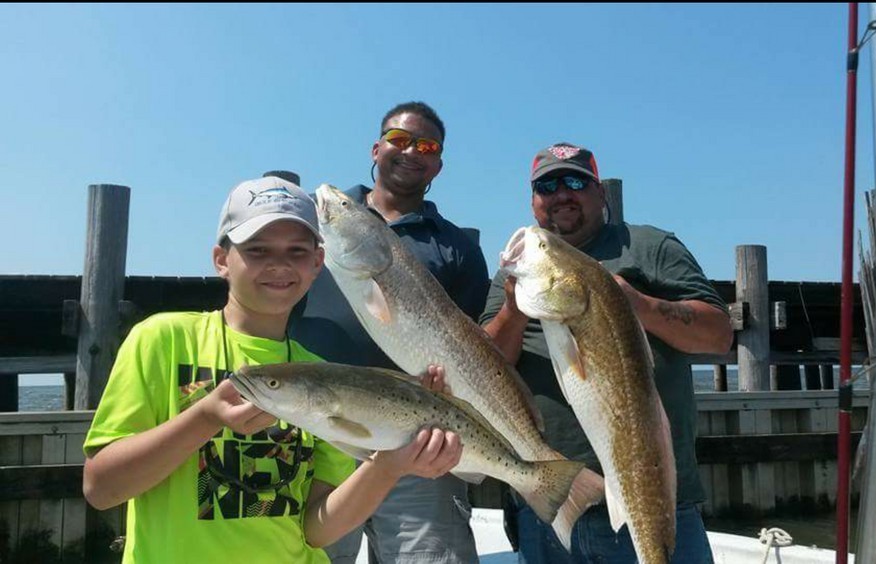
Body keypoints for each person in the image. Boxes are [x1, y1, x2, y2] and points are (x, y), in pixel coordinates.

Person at [82, 176, 463, 563]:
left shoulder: (322, 374)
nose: (279, 264)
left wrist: (387, 467)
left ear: (318, 262)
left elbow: (316, 529)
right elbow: (101, 488)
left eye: (297, 251)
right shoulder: (162, 340)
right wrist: (205, 418)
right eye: (257, 249)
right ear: (221, 260)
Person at [481, 143, 733, 563]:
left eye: (576, 181)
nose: (562, 193)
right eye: (547, 185)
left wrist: (639, 305)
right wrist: (513, 307)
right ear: (533, 201)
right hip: (549, 505)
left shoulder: (650, 247)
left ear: (601, 194)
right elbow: (487, 366)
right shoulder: (513, 276)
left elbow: (718, 334)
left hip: (656, 499)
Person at [290, 101, 489, 563]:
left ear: (438, 163)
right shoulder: (315, 222)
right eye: (399, 140)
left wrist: (451, 386)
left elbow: (474, 350)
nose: (411, 152)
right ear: (376, 148)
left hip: (416, 441)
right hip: (316, 429)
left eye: (427, 145)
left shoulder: (456, 246)